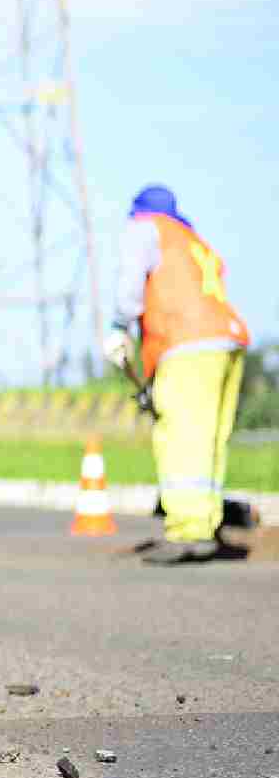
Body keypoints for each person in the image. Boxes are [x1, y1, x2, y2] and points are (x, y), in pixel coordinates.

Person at [104, 184, 252, 564]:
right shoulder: (191, 240)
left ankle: (187, 530)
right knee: (211, 438)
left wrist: (119, 326)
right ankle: (205, 522)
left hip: (187, 343)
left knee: (183, 434)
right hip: (228, 340)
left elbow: (130, 284)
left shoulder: (145, 228)